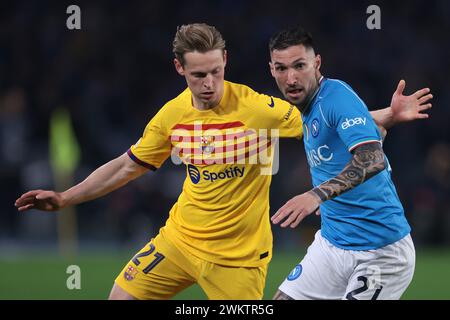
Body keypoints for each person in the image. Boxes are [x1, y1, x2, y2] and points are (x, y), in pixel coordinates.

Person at [15, 23, 431, 300]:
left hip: (239, 256)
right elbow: (126, 166)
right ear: (180, 69)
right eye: (199, 75)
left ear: (225, 63)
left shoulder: (260, 109)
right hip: (180, 240)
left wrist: (384, 117)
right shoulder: (171, 116)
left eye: (216, 71)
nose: (209, 83)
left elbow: (330, 121)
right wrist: (66, 197)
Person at [269, 26, 433, 300]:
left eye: (299, 65)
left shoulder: (336, 96)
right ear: (271, 69)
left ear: (316, 63)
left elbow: (372, 158)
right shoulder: (311, 107)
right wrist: (388, 116)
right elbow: (343, 129)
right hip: (332, 244)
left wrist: (317, 194)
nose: (291, 77)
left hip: (381, 252)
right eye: (281, 68)